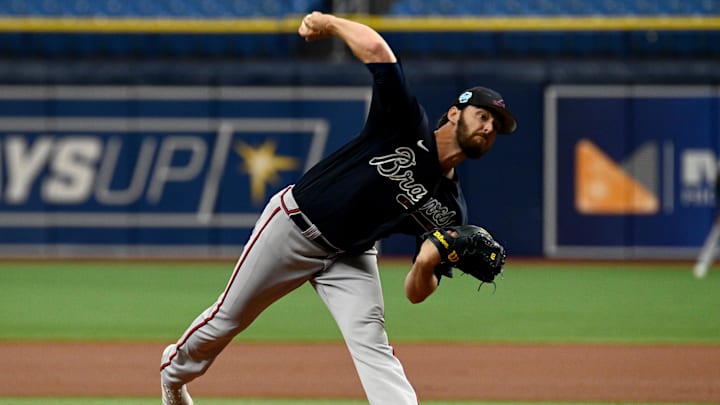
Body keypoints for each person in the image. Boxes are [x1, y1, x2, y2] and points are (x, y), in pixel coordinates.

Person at [160, 11, 518, 405]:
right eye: (483, 116)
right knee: (228, 319)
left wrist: (426, 261)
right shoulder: (404, 123)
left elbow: (417, 294)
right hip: (295, 227)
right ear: (455, 113)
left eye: (496, 127)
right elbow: (379, 52)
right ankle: (173, 377)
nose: (488, 127)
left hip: (351, 254)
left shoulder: (449, 210)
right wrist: (328, 23)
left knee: (373, 343)